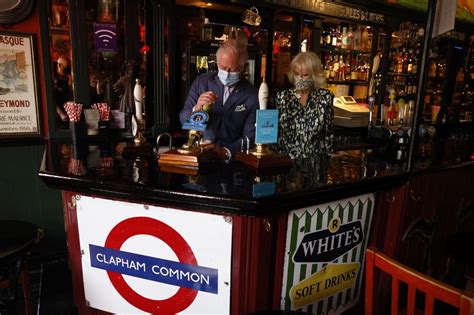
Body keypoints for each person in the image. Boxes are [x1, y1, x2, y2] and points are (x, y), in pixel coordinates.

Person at [179, 39, 258, 160]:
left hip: (232, 161)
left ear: (244, 68)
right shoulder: (202, 82)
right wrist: (197, 108)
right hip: (200, 154)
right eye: (223, 67)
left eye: (233, 70)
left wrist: (225, 152)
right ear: (217, 63)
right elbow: (184, 120)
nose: (226, 73)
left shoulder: (251, 94)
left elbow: (250, 136)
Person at [274, 51, 334, 159]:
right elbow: (276, 134)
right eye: (297, 74)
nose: (300, 78)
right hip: (287, 163)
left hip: (314, 164)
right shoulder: (282, 97)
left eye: (305, 75)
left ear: (314, 76)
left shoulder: (325, 98)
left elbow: (328, 136)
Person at [54, 55, 72, 122]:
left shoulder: (65, 78)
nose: (68, 69)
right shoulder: (53, 79)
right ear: (59, 65)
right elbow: (50, 98)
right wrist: (61, 114)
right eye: (66, 67)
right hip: (59, 115)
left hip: (67, 111)